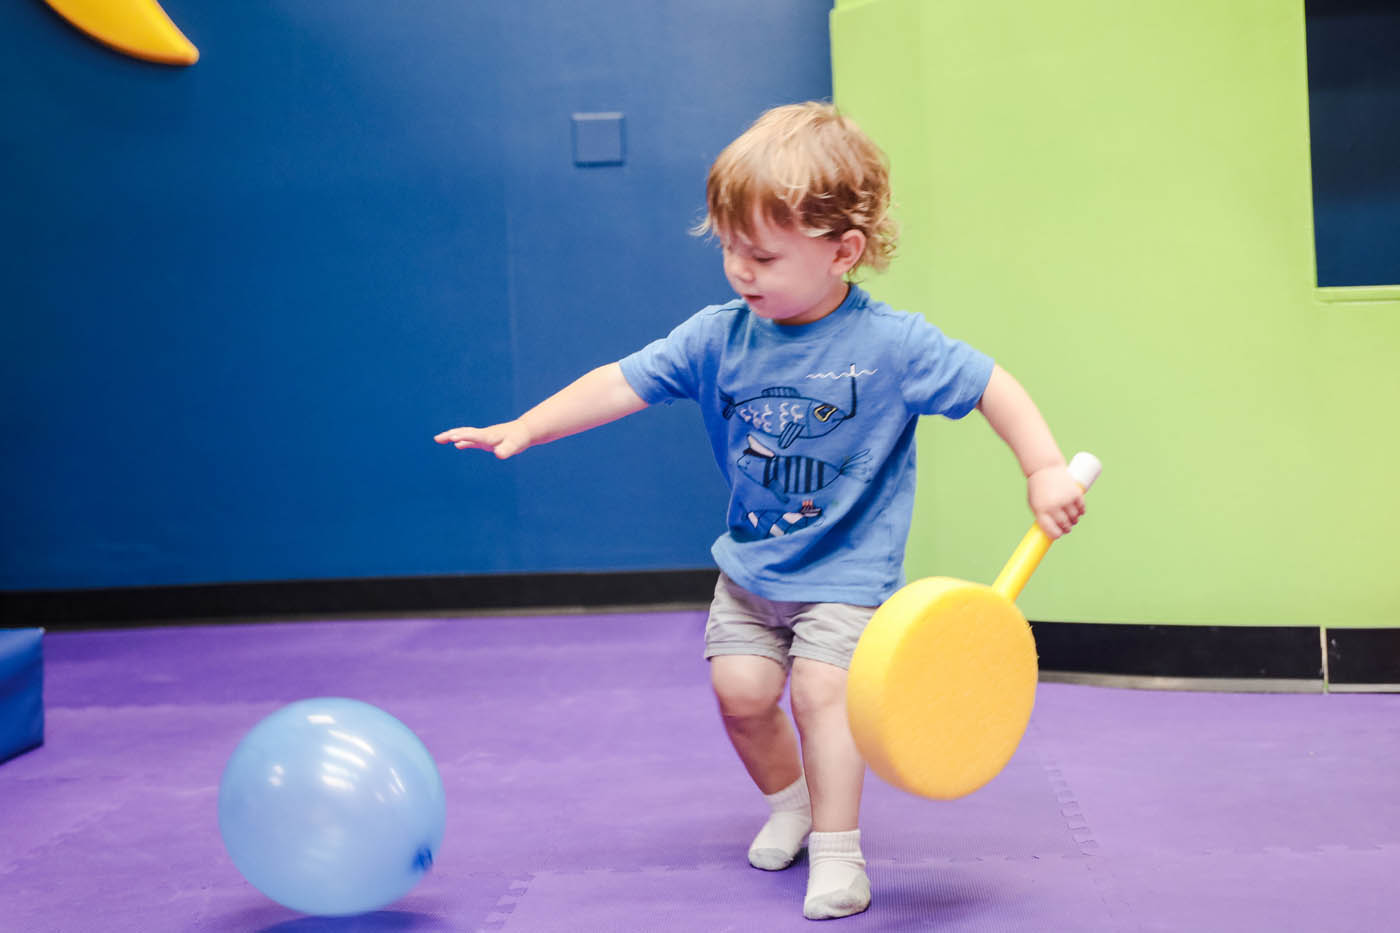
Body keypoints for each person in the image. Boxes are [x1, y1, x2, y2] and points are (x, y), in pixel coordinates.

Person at [435, 101, 1085, 921]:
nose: (743, 271)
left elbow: (992, 383)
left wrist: (1045, 467)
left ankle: (840, 852)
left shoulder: (893, 345)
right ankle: (791, 803)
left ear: (842, 251)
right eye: (731, 250)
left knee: (821, 694)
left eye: (763, 255)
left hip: (847, 572)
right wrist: (527, 425)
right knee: (741, 695)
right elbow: (620, 381)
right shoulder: (719, 336)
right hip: (751, 569)